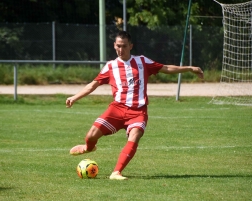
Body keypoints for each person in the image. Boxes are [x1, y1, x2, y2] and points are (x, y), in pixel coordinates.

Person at [66, 31, 204, 180]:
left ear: (131, 46)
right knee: (91, 135)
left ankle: (116, 172)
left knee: (135, 135)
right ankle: (88, 148)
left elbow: (166, 68)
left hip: (138, 111)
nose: (121, 49)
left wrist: (189, 68)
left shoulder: (142, 62)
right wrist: (75, 97)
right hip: (117, 109)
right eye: (118, 46)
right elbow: (92, 85)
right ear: (114, 46)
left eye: (124, 46)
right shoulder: (110, 66)